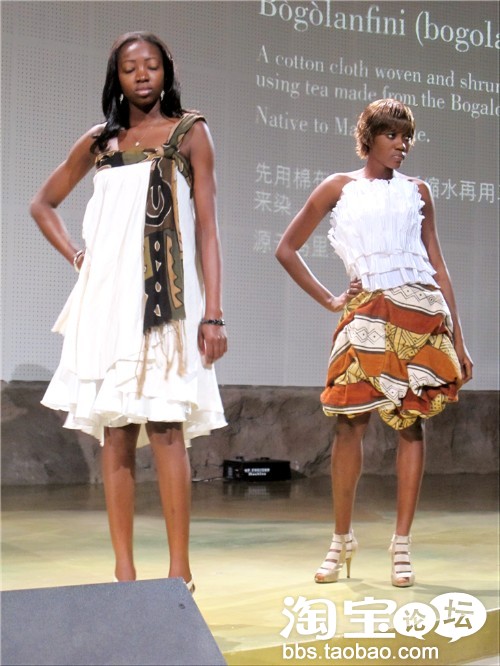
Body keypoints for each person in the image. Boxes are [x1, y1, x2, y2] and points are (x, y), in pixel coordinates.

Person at [30, 32, 228, 590]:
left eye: (151, 65)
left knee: (166, 427)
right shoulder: (101, 142)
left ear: (167, 71)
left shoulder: (190, 132)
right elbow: (42, 204)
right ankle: (124, 576)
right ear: (115, 77)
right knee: (115, 433)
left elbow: (208, 227)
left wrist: (214, 313)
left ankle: (179, 574)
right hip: (108, 303)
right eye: (129, 67)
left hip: (166, 300)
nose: (141, 75)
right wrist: (79, 256)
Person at [276, 99, 472, 587]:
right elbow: (287, 248)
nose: (402, 145)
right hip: (364, 312)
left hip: (419, 310)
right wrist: (330, 299)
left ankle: (401, 545)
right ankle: (341, 540)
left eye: (407, 137)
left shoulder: (418, 191)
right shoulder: (338, 188)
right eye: (392, 135)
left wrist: (459, 338)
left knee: (411, 425)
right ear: (369, 138)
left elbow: (437, 265)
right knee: (348, 426)